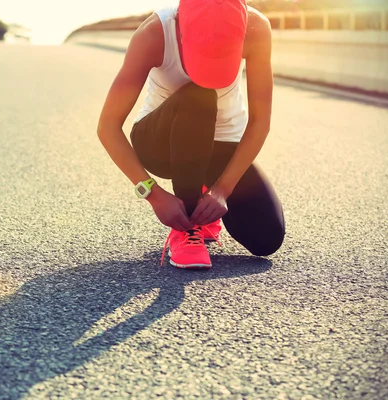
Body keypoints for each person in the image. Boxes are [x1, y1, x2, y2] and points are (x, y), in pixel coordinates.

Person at [97, 0, 285, 269]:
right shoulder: (155, 33)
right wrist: (153, 194)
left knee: (266, 239)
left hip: (221, 145)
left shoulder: (256, 29)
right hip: (161, 144)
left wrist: (223, 189)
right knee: (199, 97)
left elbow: (259, 121)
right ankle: (185, 230)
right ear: (182, 30)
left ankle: (203, 199)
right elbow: (107, 126)